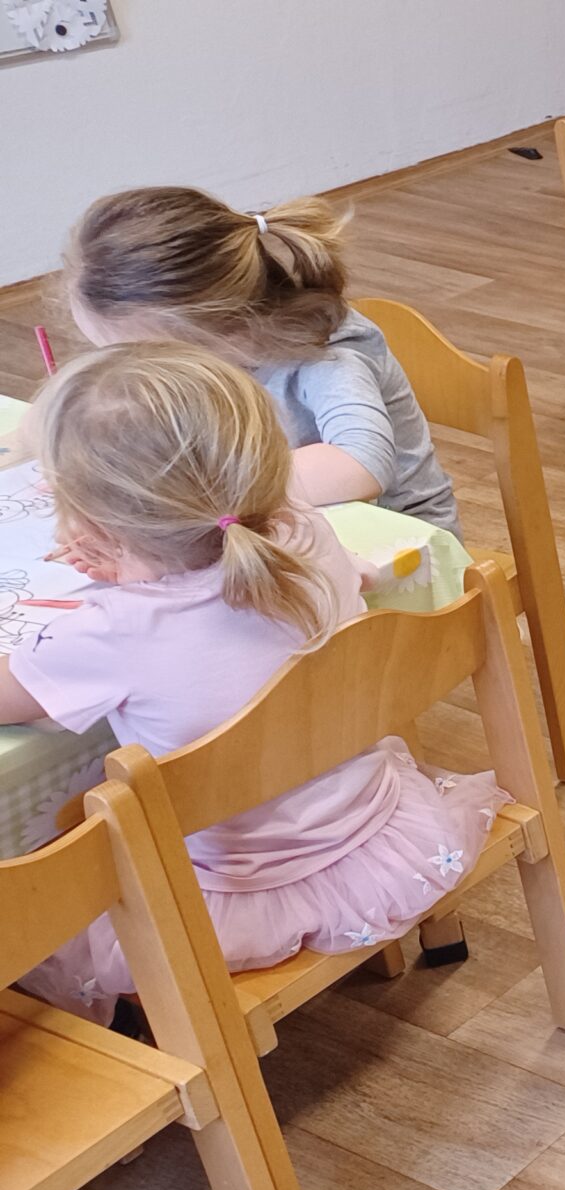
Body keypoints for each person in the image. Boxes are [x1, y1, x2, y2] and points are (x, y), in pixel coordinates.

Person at [0, 342, 506, 1023]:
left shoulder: (109, 633)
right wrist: (131, 564)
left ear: (93, 520)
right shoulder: (306, 535)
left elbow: (12, 701)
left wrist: (124, 582)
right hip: (378, 826)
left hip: (227, 898)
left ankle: (146, 1034)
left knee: (38, 896)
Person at [63, 187, 462, 536]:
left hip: (404, 548)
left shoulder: (326, 357)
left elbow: (360, 465)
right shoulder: (218, 345)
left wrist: (196, 494)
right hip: (284, 529)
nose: (138, 372)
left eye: (146, 356)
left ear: (222, 329)